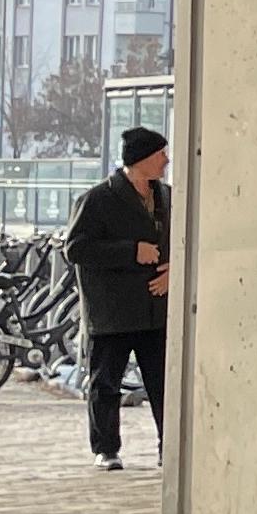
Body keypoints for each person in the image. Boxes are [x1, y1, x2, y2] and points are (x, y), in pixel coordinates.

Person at [65, 126, 173, 470]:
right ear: (141, 159)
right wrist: (131, 252)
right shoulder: (98, 199)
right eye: (160, 154)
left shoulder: (169, 197)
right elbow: (76, 248)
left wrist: (175, 271)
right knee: (106, 383)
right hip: (112, 312)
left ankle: (169, 447)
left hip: (156, 310)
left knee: (164, 384)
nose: (166, 161)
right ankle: (106, 448)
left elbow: (187, 240)